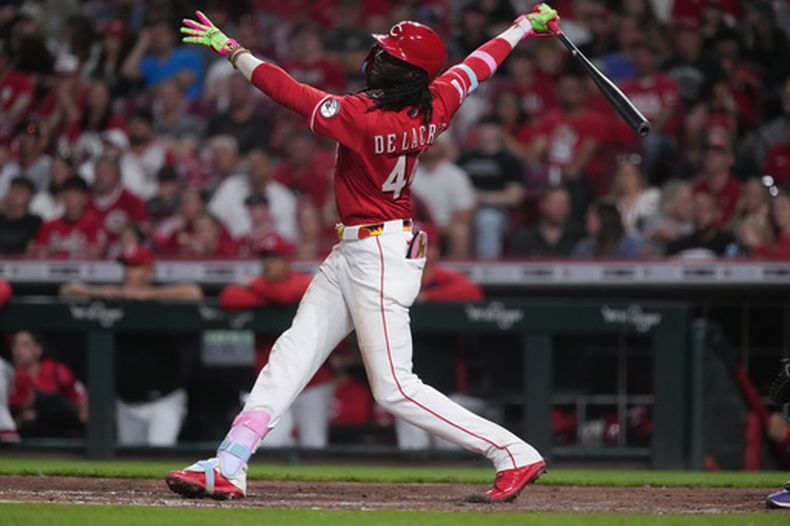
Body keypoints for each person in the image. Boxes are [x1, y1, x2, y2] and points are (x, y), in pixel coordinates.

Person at [166, 5, 561, 502]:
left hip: (377, 253)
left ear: (402, 72)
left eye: (389, 54)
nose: (378, 56)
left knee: (395, 387)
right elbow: (479, 64)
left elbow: (287, 91)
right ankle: (229, 463)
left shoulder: (362, 117)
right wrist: (524, 26)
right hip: (363, 246)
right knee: (294, 352)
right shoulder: (437, 101)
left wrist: (232, 49)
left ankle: (512, 452)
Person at [59, 244, 203, 446]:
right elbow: (67, 291)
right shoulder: (116, 297)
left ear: (148, 271)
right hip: (127, 402)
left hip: (164, 400)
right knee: (130, 458)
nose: (128, 273)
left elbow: (193, 292)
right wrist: (98, 292)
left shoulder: (162, 295)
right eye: (126, 267)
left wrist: (149, 295)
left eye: (134, 268)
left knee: (158, 454)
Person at [219, 234, 334, 448]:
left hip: (313, 379)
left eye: (274, 258)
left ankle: (318, 484)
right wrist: (263, 292)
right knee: (271, 444)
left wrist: (254, 287)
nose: (268, 264)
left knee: (314, 443)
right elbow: (228, 297)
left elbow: (285, 295)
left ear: (287, 261)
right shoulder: (262, 286)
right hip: (274, 380)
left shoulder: (303, 281)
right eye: (265, 258)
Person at [9, 331, 87, 438]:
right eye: (15, 344)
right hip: (19, 438)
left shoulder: (56, 371)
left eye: (25, 345)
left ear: (38, 349)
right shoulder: (6, 375)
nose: (18, 350)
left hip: (56, 437)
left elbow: (81, 406)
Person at [410, 136, 475, 259]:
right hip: (415, 225)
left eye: (435, 144)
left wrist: (439, 226)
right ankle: (419, 273)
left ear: (443, 148)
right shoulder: (409, 173)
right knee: (417, 234)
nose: (431, 148)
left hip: (446, 225)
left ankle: (455, 273)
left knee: (460, 232)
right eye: (428, 144)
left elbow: (464, 212)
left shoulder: (455, 175)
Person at [30, 176, 107, 259]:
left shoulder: (95, 224)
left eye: (76, 193)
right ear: (62, 196)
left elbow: (94, 257)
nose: (71, 197)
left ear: (85, 197)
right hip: (54, 270)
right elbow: (40, 256)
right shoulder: (49, 225)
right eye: (68, 193)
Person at [511, 184, 582, 257]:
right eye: (557, 204)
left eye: (565, 204)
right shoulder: (525, 240)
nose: (562, 209)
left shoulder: (578, 238)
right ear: (542, 205)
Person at [666, 192, 736, 258]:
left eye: (706, 210)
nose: (700, 215)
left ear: (717, 214)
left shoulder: (729, 242)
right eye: (697, 210)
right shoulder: (679, 246)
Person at [572, 200, 643, 259]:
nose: (586, 218)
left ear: (606, 219)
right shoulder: (583, 248)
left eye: (592, 216)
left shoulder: (630, 246)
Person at [0, 177, 41, 255]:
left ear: (29, 196)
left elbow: (33, 250)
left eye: (20, 192)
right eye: (13, 190)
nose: (15, 194)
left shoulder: (35, 222)